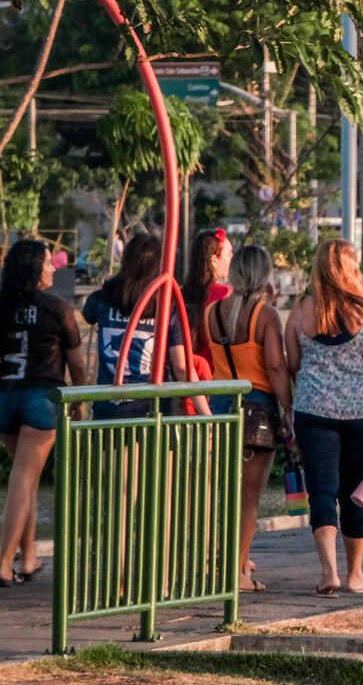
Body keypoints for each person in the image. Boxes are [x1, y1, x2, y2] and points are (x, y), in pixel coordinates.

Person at [286, 240, 363, 597]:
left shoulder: (301, 311)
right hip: (360, 414)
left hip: (312, 412)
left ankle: (328, 573)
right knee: (355, 493)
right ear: (352, 270)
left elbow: (291, 364)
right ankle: (355, 574)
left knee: (321, 491)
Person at [206, 245, 292, 593]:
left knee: (221, 493)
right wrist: (288, 408)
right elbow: (274, 366)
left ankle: (217, 564)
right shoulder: (265, 315)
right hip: (257, 409)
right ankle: (238, 572)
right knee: (249, 498)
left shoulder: (212, 312)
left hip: (219, 407)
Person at [0, 240, 82, 587]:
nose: (53, 268)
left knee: (24, 477)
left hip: (4, 395)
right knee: (23, 479)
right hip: (40, 398)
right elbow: (77, 362)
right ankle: (3, 562)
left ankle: (29, 556)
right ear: (36, 269)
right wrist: (80, 400)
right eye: (49, 263)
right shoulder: (57, 308)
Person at [83, 232, 205, 418]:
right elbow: (181, 367)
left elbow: (88, 314)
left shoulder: (102, 299)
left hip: (109, 407)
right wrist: (206, 413)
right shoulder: (165, 308)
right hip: (152, 408)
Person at [181, 227, 232, 373]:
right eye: (229, 254)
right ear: (214, 260)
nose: (231, 259)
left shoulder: (180, 294)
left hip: (185, 376)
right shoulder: (224, 294)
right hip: (214, 377)